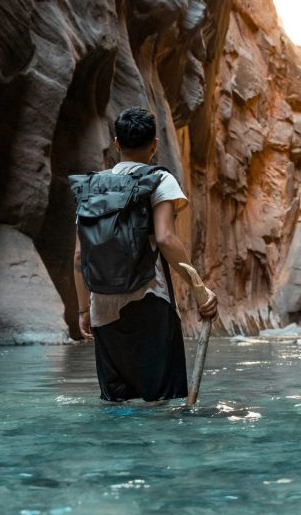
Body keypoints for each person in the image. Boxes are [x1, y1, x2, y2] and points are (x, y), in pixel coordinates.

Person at [72, 107, 218, 402]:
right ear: (154, 144)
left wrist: (83, 311)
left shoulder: (91, 187)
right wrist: (200, 289)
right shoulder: (160, 180)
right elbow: (165, 238)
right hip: (150, 299)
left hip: (101, 306)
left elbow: (78, 257)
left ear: (116, 143)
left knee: (117, 403)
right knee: (160, 400)